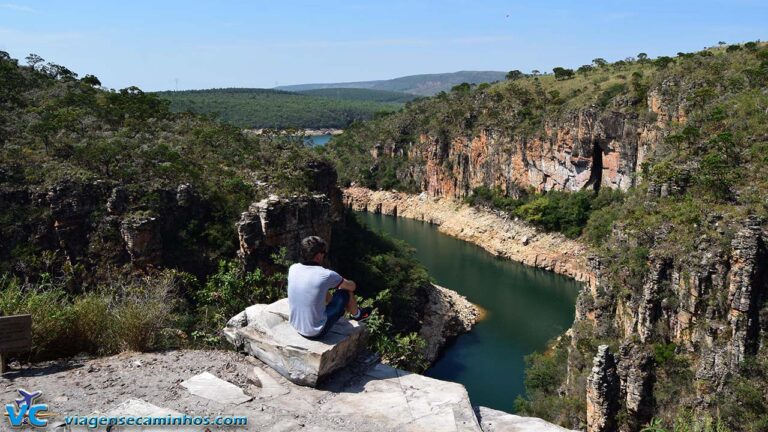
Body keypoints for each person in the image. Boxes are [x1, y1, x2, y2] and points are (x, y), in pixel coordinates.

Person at [287, 236, 372, 339]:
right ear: (318, 256)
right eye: (324, 253)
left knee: (321, 288)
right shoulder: (326, 275)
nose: (324, 256)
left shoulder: (293, 268)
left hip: (296, 326)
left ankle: (340, 309)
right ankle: (358, 315)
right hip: (316, 332)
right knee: (346, 292)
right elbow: (352, 287)